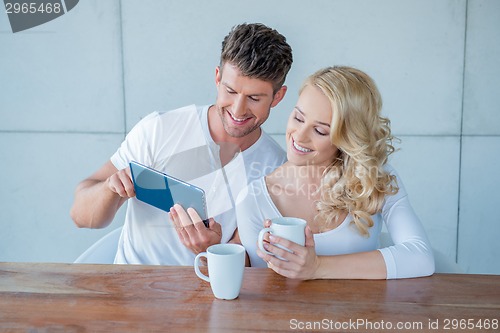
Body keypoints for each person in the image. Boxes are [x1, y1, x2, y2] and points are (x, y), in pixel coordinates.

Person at [70, 23, 293, 265]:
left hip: (208, 297)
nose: (238, 110)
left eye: (254, 98)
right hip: (129, 292)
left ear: (277, 97)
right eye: (230, 91)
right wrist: (109, 190)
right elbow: (81, 217)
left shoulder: (277, 168)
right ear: (218, 78)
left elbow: (254, 265)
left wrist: (211, 250)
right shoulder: (160, 129)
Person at [236, 66, 435, 279]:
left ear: (347, 138)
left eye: (320, 130)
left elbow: (420, 258)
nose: (299, 136)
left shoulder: (375, 178)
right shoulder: (253, 199)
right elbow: (262, 286)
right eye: (298, 118)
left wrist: (318, 267)